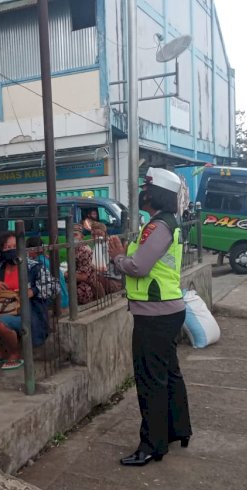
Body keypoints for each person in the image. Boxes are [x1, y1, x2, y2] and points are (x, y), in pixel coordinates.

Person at [108, 167, 192, 467]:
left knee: (150, 380)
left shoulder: (159, 227)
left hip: (154, 315)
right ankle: (176, 430)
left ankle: (152, 445)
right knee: (169, 373)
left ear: (155, 194)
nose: (142, 191)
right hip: (167, 310)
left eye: (146, 187)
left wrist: (118, 255)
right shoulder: (168, 222)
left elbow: (138, 267)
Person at [0, 231, 55, 371]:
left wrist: (32, 291)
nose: (11, 250)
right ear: (1, 250)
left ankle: (14, 354)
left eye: (15, 246)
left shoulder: (34, 267)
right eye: (7, 247)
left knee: (2, 322)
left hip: (28, 314)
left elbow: (53, 287)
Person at [26, 236, 68, 312]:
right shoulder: (46, 259)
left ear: (32, 250)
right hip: (64, 300)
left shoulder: (37, 263)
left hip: (56, 301)